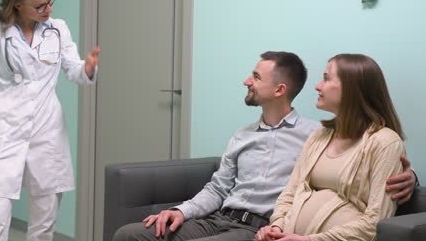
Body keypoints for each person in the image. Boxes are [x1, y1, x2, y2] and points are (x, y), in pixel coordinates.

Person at [113, 51, 415, 241]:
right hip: (221, 218)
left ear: (279, 89)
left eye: (256, 76)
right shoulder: (247, 135)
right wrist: (181, 211)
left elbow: (369, 187)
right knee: (129, 234)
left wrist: (410, 179)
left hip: (255, 227)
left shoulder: (313, 133)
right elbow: (220, 188)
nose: (247, 81)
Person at [0, 0, 100, 240]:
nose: (49, 10)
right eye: (40, 6)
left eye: (50, 1)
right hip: (2, 130)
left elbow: (73, 68)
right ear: (16, 6)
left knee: (44, 221)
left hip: (46, 131)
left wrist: (88, 68)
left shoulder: (57, 29)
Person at [256, 54, 408, 241]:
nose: (318, 86)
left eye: (326, 79)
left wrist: (309, 240)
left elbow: (376, 222)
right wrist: (276, 226)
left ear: (352, 88)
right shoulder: (319, 135)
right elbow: (289, 193)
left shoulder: (385, 143)